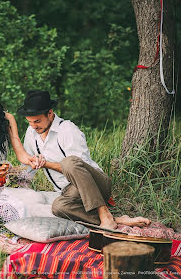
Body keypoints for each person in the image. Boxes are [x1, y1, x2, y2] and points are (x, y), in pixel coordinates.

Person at [17, 90, 150, 230]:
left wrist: (46, 164)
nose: (33, 126)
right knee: (58, 207)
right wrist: (15, 181)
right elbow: (28, 168)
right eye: (30, 122)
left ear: (50, 113)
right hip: (69, 193)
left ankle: (104, 214)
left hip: (97, 186)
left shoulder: (67, 129)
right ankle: (117, 219)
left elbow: (79, 167)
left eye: (37, 121)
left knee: (69, 162)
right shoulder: (31, 132)